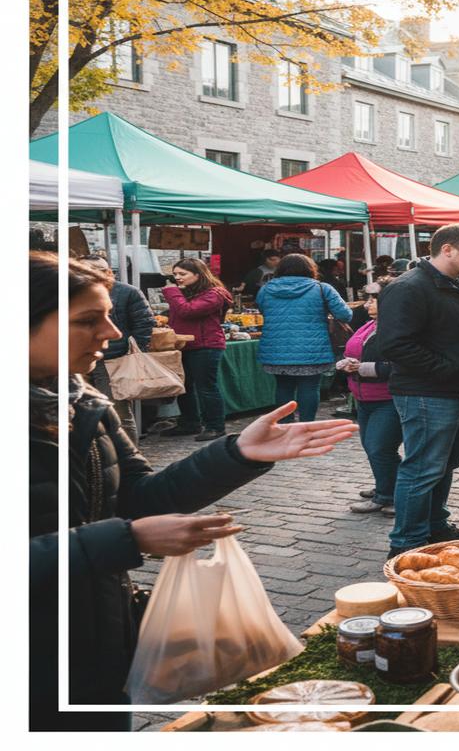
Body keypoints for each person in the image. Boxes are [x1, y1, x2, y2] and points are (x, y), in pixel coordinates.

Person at [28, 251, 357, 731]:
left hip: (90, 652)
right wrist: (129, 539)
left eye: (107, 316)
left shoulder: (78, 401)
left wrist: (239, 454)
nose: (113, 333)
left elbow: (142, 498)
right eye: (87, 320)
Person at [377, 223, 459, 558]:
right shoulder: (409, 287)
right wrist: (451, 372)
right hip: (429, 393)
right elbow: (396, 345)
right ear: (448, 249)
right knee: (423, 468)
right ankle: (407, 543)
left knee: (445, 464)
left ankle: (435, 524)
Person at [256, 253, 353, 423]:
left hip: (277, 347)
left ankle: (285, 426)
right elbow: (345, 315)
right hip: (312, 347)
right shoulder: (322, 288)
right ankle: (307, 424)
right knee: (309, 387)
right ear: (310, 269)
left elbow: (263, 311)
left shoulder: (266, 289)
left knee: (283, 387)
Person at [339, 277, 402, 515]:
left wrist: (362, 368)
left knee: (380, 448)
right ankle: (385, 487)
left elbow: (400, 365)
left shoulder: (397, 327)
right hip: (365, 397)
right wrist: (347, 363)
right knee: (373, 447)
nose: (367, 304)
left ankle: (389, 495)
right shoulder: (370, 325)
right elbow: (354, 349)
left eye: (373, 299)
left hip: (387, 397)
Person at [80, 255, 154, 437]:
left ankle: (128, 456)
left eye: (92, 270)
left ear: (107, 272)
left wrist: (133, 353)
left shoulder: (127, 292)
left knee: (117, 411)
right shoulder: (73, 292)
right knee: (83, 407)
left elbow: (144, 323)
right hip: (79, 358)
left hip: (114, 358)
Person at [161, 257, 233, 441]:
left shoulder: (215, 294)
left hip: (206, 346)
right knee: (184, 387)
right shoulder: (186, 292)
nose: (177, 277)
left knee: (206, 387)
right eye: (175, 274)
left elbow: (188, 311)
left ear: (198, 274)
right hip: (184, 344)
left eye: (182, 274)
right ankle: (190, 423)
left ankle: (215, 427)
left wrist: (172, 292)